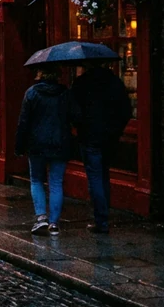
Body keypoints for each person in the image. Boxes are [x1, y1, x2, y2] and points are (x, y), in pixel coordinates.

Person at [15, 64, 79, 236]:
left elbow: (24, 122)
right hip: (60, 142)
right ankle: (54, 224)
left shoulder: (32, 93)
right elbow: (76, 117)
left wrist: (19, 146)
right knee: (56, 182)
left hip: (36, 143)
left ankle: (41, 217)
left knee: (36, 180)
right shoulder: (66, 93)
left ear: (40, 74)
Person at [72, 63, 132, 234]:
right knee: (104, 174)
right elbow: (126, 111)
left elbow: (74, 111)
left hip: (90, 137)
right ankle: (104, 214)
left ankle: (101, 220)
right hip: (110, 138)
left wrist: (80, 127)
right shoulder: (115, 82)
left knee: (95, 177)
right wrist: (117, 130)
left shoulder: (81, 83)